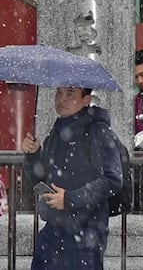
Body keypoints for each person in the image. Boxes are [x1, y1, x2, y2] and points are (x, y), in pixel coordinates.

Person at [21, 86, 123, 270]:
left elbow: (113, 179)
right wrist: (33, 155)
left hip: (85, 235)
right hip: (52, 231)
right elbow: (40, 183)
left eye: (70, 94)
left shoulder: (98, 131)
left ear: (86, 99)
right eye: (58, 93)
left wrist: (69, 199)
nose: (61, 99)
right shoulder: (56, 132)